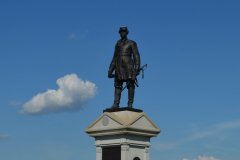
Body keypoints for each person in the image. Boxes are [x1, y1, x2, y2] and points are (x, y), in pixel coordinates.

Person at [108, 26, 140, 109]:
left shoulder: (132, 43)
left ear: (127, 32)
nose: (122, 33)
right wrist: (110, 70)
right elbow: (114, 58)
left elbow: (136, 56)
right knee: (117, 85)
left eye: (124, 32)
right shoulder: (117, 44)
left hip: (128, 66)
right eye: (121, 32)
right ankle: (116, 103)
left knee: (130, 84)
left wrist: (136, 69)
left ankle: (130, 103)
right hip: (119, 67)